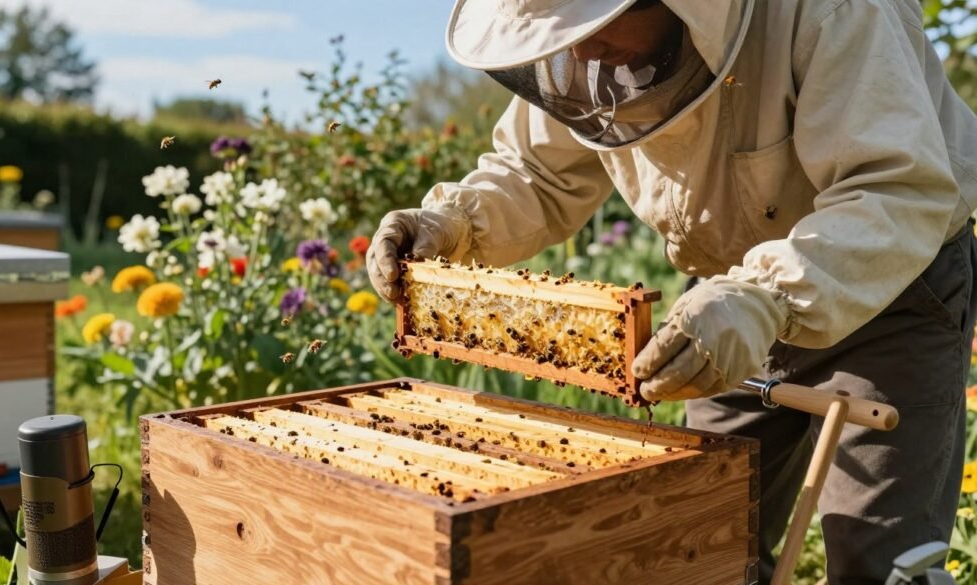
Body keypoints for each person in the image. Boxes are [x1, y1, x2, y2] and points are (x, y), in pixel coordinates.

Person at [366, 1, 977, 583]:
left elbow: (892, 191)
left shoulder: (834, 12)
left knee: (880, 562)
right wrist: (456, 223)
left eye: (598, 24)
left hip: (886, 280)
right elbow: (537, 172)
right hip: (719, 303)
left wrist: (764, 298)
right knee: (699, 542)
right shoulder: (581, 53)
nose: (581, 53)